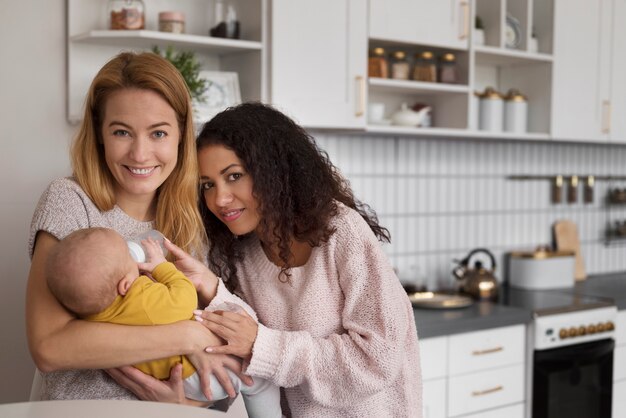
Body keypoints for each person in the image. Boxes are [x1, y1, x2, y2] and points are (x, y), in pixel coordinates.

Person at [26, 51, 251, 404]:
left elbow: (223, 356)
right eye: (122, 132)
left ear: (181, 135)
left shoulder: (197, 216)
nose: (140, 154)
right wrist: (188, 335)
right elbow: (50, 347)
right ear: (100, 134)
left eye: (158, 133)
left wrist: (185, 405)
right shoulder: (69, 201)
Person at [190, 102, 423, 417]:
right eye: (208, 185)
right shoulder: (234, 253)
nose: (219, 199)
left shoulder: (342, 231)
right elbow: (241, 349)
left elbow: (377, 359)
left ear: (273, 170)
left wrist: (263, 345)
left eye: (234, 176)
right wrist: (211, 288)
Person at [45, 227, 281, 418]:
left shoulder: (90, 315)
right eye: (128, 257)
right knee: (260, 380)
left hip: (170, 379)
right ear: (125, 286)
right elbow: (184, 300)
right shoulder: (142, 300)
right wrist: (162, 268)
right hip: (195, 374)